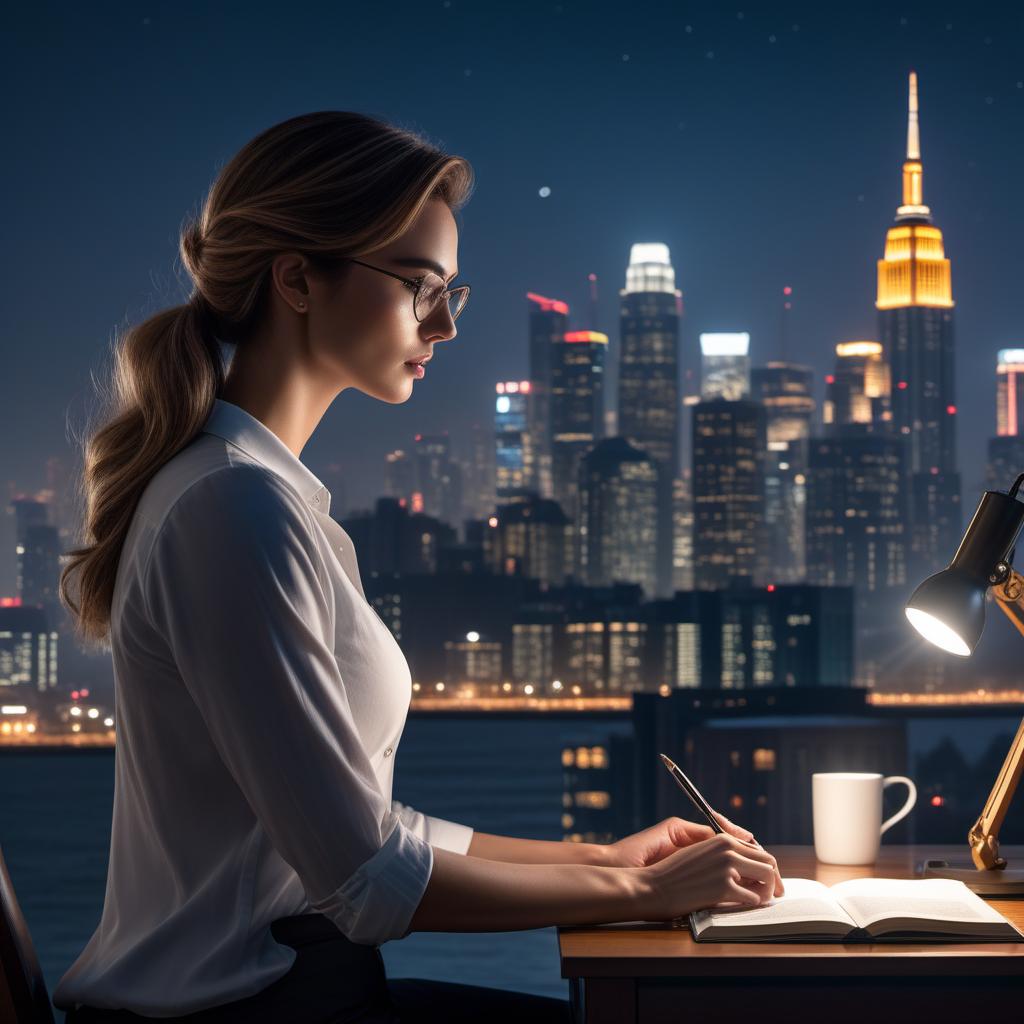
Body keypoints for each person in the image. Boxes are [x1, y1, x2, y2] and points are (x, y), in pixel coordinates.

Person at [53, 110, 784, 1023]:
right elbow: (365, 879)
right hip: (247, 1013)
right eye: (417, 286)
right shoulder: (230, 507)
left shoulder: (272, 502)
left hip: (295, 998)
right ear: (297, 279)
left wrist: (607, 859)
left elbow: (373, 831)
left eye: (451, 292)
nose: (441, 325)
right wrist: (643, 899)